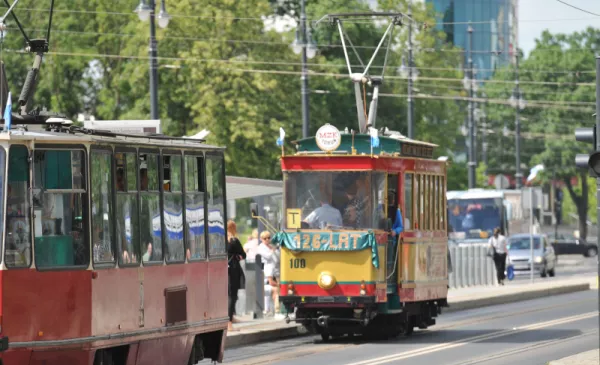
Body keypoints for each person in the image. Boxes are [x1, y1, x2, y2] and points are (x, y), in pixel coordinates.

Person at [227, 220, 246, 331]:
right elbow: (243, 255)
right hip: (232, 270)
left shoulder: (217, 239)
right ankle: (229, 322)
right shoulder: (233, 241)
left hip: (220, 271)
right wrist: (236, 258)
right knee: (232, 296)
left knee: (226, 295)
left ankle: (230, 317)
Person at [256, 230, 279, 316]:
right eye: (265, 238)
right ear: (261, 239)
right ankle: (268, 309)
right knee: (269, 290)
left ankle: (268, 309)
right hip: (265, 271)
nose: (267, 240)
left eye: (269, 238)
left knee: (270, 291)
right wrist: (273, 251)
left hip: (273, 270)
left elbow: (277, 258)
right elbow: (268, 257)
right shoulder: (260, 248)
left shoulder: (270, 246)